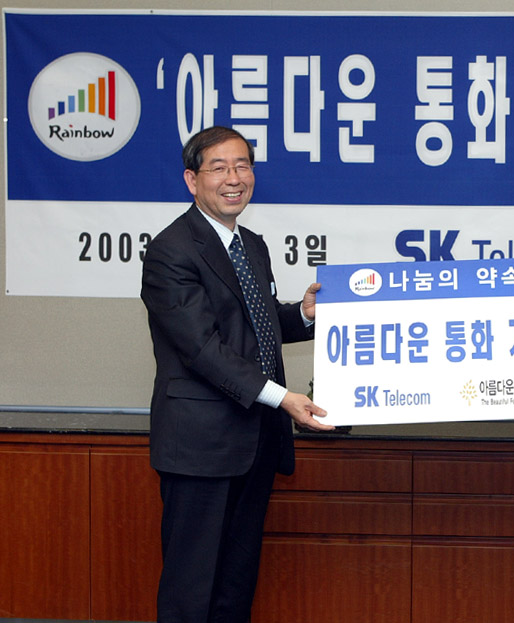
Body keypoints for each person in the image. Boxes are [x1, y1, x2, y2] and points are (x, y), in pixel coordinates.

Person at [141, 126, 334, 623]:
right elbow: (203, 349)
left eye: (243, 166)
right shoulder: (171, 251)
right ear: (192, 179)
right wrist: (283, 397)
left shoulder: (251, 244)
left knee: (235, 583)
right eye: (219, 168)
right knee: (192, 588)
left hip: (255, 442)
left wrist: (305, 315)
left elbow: (257, 329)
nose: (234, 178)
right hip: (200, 446)